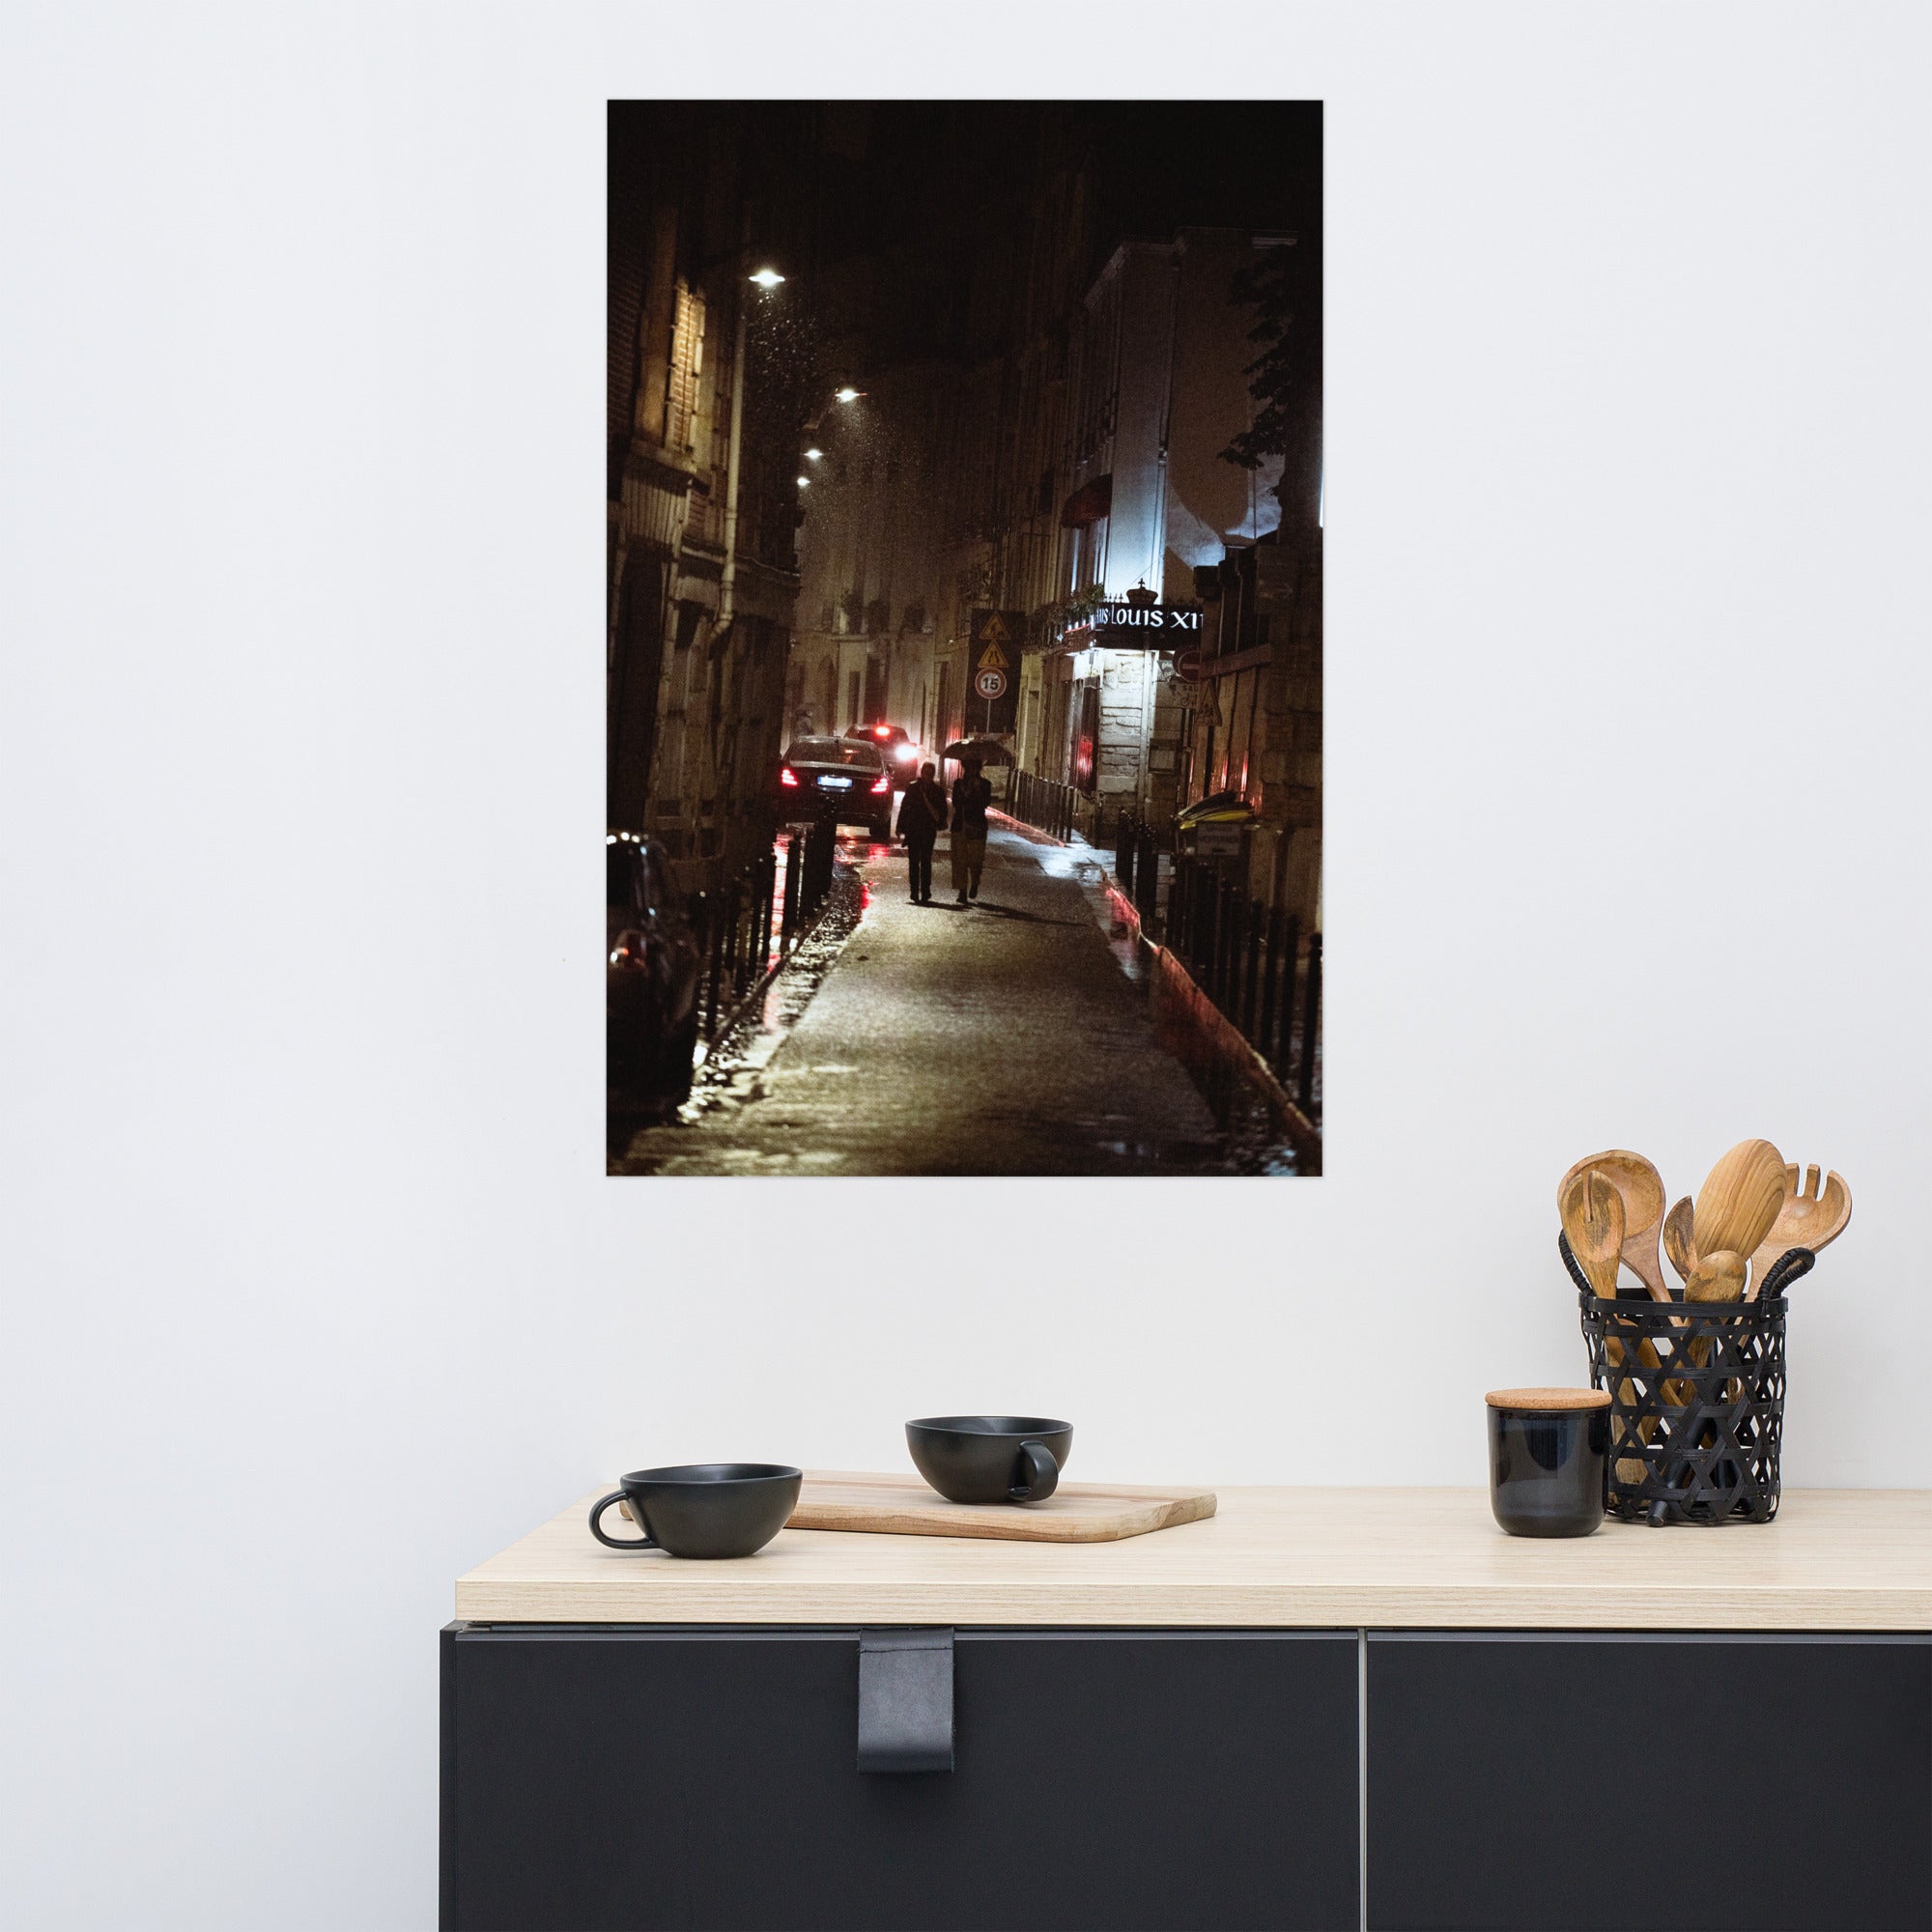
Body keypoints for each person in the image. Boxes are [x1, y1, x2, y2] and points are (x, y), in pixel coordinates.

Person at [895, 761, 948, 904]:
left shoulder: (937, 792)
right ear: (921, 773)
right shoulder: (913, 788)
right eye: (926, 774)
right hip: (914, 829)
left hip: (928, 829)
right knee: (914, 861)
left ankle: (925, 891)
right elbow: (905, 808)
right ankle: (914, 891)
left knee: (925, 861)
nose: (928, 777)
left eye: (930, 775)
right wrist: (900, 826)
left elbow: (943, 811)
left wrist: (940, 820)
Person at [950, 756, 992, 903]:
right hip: (960, 825)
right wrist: (966, 792)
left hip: (977, 825)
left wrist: (977, 789)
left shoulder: (985, 784)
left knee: (976, 859)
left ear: (978, 769)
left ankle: (974, 882)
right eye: (968, 768)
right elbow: (955, 803)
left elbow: (985, 803)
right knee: (960, 860)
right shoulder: (958, 784)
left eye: (974, 768)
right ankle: (962, 891)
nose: (970, 771)